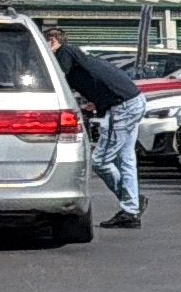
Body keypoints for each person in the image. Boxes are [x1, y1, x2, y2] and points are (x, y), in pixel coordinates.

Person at [48, 26, 146, 229]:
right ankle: (131, 208)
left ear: (52, 42)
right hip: (133, 99)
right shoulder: (78, 54)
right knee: (125, 158)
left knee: (101, 160)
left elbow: (60, 80)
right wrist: (95, 101)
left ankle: (132, 204)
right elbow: (95, 79)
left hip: (122, 106)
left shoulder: (65, 52)